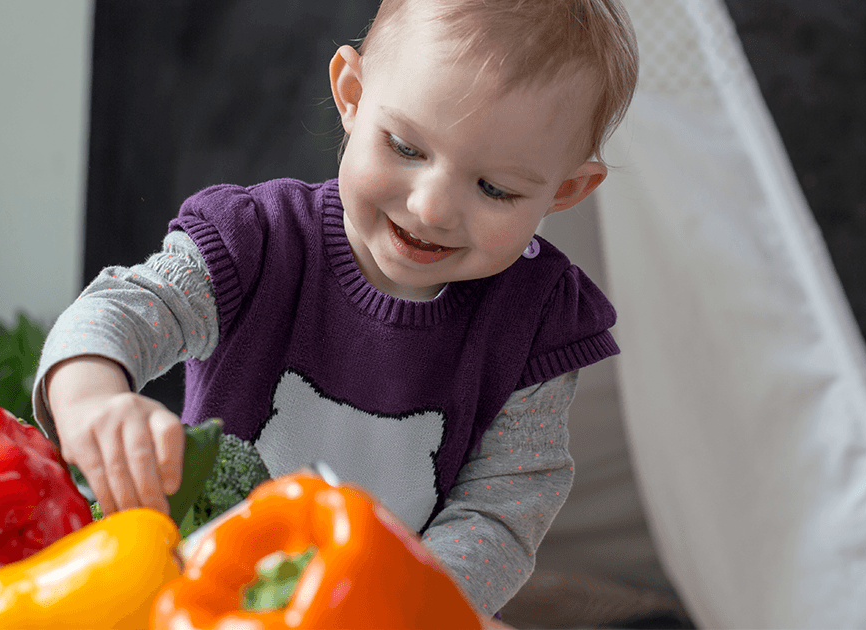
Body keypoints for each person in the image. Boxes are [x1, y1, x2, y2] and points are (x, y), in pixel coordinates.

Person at [32, 0, 638, 613]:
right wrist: (91, 396)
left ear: (565, 191)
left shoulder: (538, 322)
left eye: (494, 189)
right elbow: (129, 307)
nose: (432, 208)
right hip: (201, 592)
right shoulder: (255, 240)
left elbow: (501, 512)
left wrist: (404, 605)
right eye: (405, 147)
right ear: (351, 95)